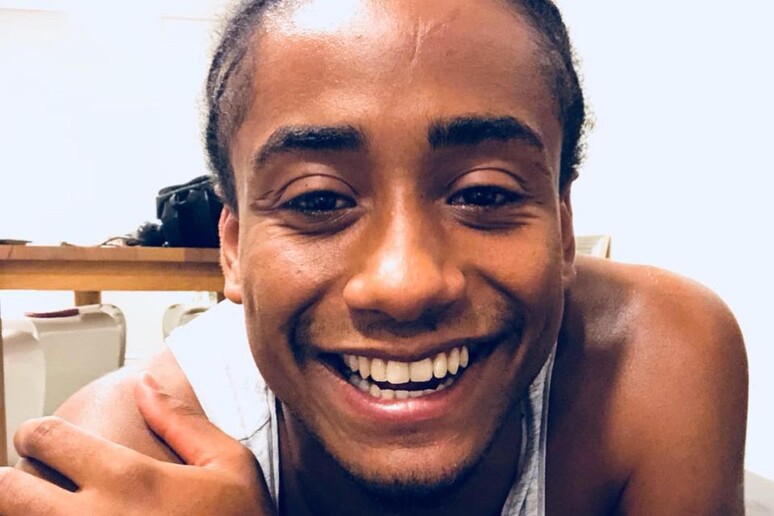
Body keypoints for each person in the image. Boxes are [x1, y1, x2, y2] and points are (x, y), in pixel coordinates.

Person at [0, 0, 748, 514]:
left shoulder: (656, 364)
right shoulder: (127, 462)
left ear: (561, 228)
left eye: (484, 193)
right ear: (233, 249)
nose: (404, 283)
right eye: (318, 200)